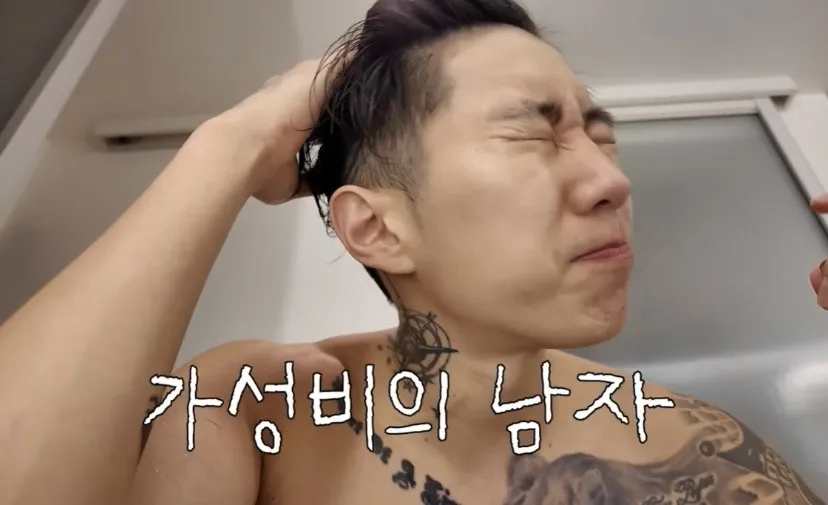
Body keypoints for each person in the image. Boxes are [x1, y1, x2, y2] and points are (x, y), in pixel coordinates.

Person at [0, 1, 826, 504]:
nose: (612, 180)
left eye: (602, 137)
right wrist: (231, 144)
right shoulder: (261, 410)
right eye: (533, 135)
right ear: (376, 229)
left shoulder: (691, 446)